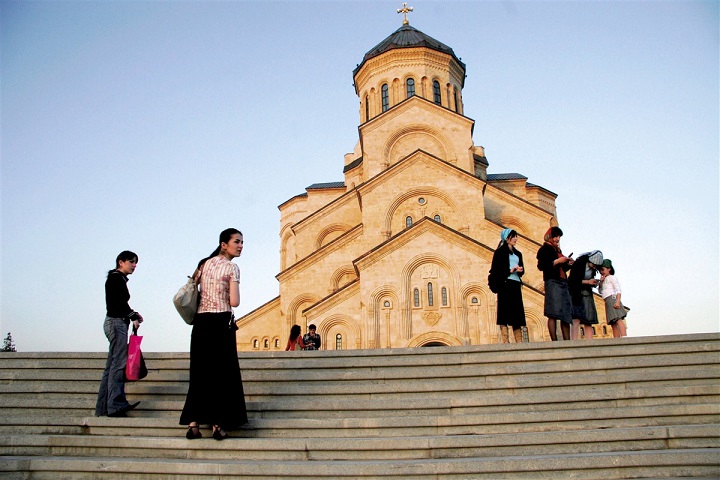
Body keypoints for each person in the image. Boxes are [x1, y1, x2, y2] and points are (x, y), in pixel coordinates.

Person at [180, 228, 248, 441]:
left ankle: (193, 424)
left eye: (242, 242)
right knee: (221, 374)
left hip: (200, 323)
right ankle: (218, 425)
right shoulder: (232, 268)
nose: (240, 246)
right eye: (236, 241)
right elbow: (235, 301)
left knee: (199, 373)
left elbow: (194, 290)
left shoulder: (203, 264)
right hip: (221, 324)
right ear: (224, 244)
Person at [95, 251, 143, 417]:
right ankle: (115, 404)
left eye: (135, 262)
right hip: (116, 324)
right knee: (118, 365)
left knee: (111, 367)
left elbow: (120, 303)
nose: (134, 265)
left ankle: (103, 408)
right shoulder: (116, 278)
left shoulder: (116, 279)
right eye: (131, 262)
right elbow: (117, 303)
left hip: (114, 322)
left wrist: (133, 314)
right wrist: (131, 316)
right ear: (121, 262)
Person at [489, 229, 526, 343]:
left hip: (515, 283)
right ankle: (505, 340)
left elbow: (521, 270)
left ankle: (519, 340)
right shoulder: (500, 252)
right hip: (505, 283)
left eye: (516, 236)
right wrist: (510, 270)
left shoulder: (518, 253)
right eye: (513, 236)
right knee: (504, 311)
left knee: (517, 311)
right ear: (506, 238)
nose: (515, 238)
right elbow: (495, 270)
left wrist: (520, 270)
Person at [536, 226, 573, 341]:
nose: (557, 239)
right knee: (552, 311)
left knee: (565, 314)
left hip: (562, 281)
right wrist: (557, 261)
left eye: (559, 237)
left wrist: (568, 263)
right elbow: (541, 266)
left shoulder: (558, 250)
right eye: (556, 236)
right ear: (550, 236)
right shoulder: (544, 249)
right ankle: (554, 341)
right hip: (552, 281)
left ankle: (567, 341)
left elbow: (562, 268)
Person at [568, 250, 603, 340]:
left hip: (587, 293)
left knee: (588, 318)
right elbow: (572, 281)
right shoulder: (578, 265)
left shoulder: (593, 269)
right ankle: (574, 341)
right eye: (594, 265)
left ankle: (589, 341)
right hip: (576, 293)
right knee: (576, 318)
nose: (595, 267)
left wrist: (594, 282)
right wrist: (588, 282)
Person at [599, 259, 627, 337]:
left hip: (612, 299)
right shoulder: (604, 280)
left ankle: (624, 336)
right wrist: (601, 282)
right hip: (607, 300)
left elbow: (618, 289)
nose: (602, 272)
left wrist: (617, 301)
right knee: (613, 322)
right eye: (600, 270)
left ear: (609, 269)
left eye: (603, 269)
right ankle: (616, 338)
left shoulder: (612, 277)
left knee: (618, 319)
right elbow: (600, 291)